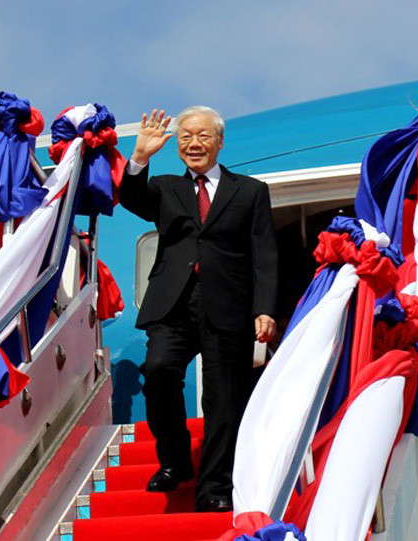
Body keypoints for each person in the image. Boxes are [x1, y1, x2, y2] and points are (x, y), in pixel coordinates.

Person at [118, 106, 278, 512]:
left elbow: (264, 254)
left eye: (203, 136)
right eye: (186, 136)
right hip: (173, 303)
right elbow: (130, 197)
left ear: (219, 142)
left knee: (223, 400)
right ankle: (174, 462)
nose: (193, 143)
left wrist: (264, 308)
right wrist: (140, 158)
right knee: (158, 371)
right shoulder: (165, 187)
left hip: (229, 305)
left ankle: (215, 488)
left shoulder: (250, 191)